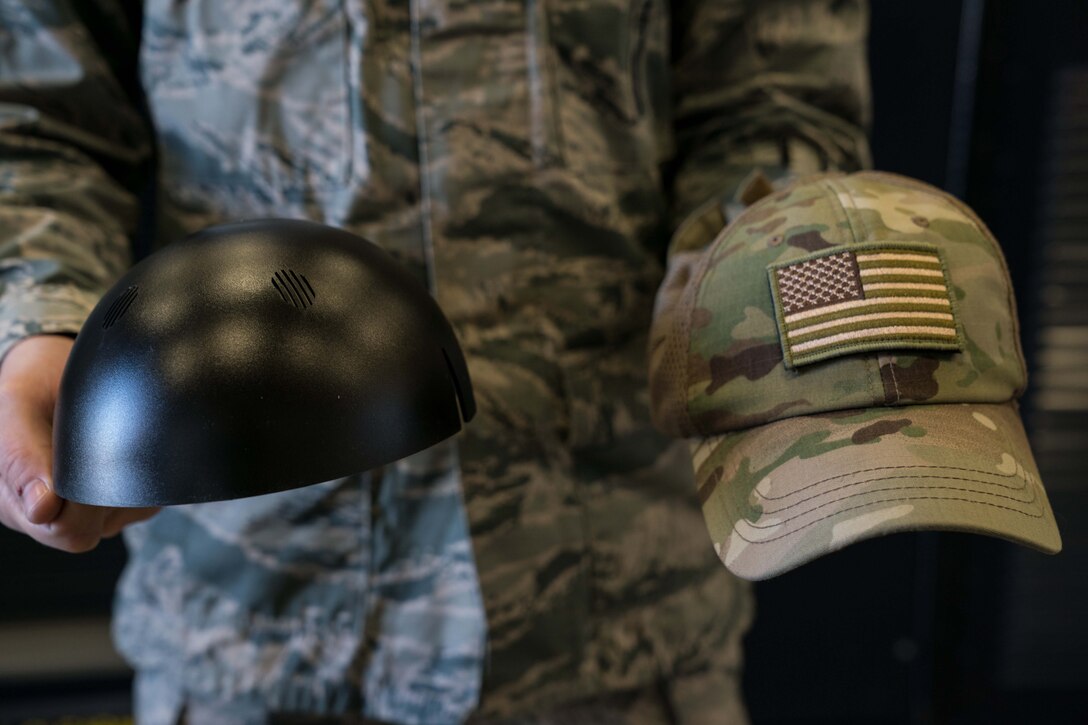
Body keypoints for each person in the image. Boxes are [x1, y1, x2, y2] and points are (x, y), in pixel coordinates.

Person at [0, 1, 871, 722]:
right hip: (251, 612)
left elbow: (772, 105)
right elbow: (36, 118)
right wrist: (40, 326)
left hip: (614, 612)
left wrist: (768, 302)